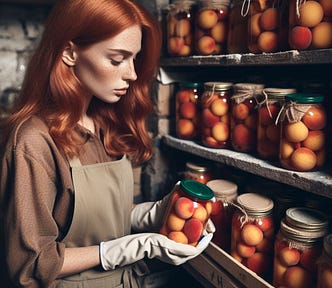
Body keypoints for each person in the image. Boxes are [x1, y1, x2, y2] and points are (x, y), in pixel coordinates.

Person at [0, 0, 214, 287]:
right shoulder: (33, 143)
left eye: (134, 59)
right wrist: (132, 247)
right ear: (69, 53)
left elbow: (91, 218)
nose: (132, 74)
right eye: (116, 59)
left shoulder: (101, 123)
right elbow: (31, 264)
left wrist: (154, 213)